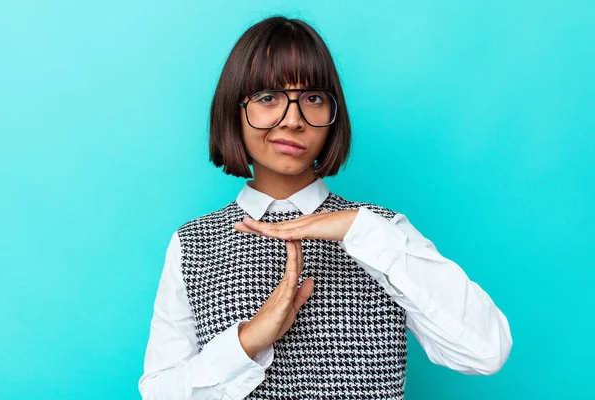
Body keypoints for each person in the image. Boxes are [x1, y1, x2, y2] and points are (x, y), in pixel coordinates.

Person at [138, 16, 512, 400]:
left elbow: (487, 352)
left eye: (313, 99)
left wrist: (361, 231)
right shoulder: (193, 244)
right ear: (235, 108)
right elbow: (159, 392)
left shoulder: (382, 231)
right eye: (269, 98)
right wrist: (248, 341)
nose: (294, 120)